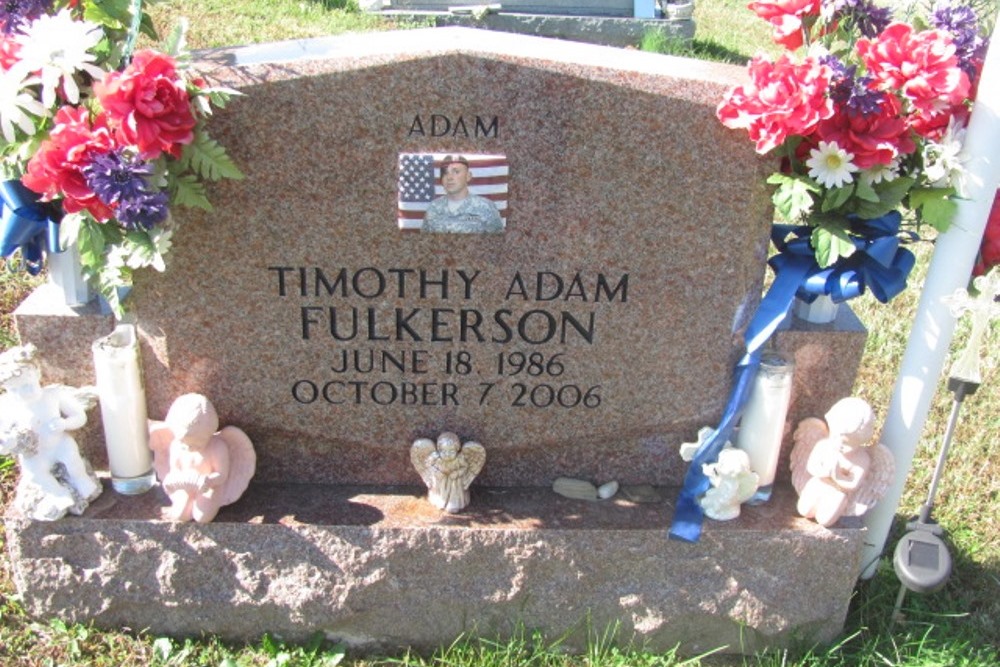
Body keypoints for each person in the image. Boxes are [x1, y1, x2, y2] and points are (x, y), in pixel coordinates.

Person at [423, 155, 504, 234]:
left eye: (456, 172)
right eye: (445, 173)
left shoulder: (486, 207)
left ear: (468, 176)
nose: (449, 177)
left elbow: (498, 244)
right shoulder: (433, 208)